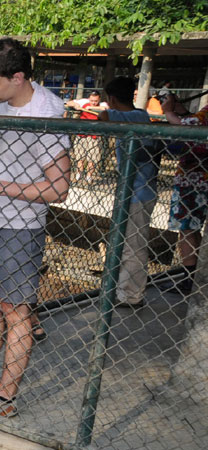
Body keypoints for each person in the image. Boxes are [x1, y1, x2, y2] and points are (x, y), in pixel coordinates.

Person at [0, 38, 71, 418]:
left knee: (15, 309)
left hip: (21, 227)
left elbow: (59, 187)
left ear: (18, 77)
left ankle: (6, 397)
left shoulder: (46, 112)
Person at [97, 77, 164, 307]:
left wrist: (106, 108)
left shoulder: (131, 116)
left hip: (138, 191)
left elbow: (103, 117)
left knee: (133, 244)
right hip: (135, 189)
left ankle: (131, 296)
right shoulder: (140, 115)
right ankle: (122, 290)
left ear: (112, 98)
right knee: (127, 242)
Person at [159, 93, 208, 295]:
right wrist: (182, 111)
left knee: (186, 228)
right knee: (191, 229)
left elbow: (187, 126)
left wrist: (169, 111)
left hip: (194, 179)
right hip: (199, 177)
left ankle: (189, 279)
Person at [65, 91, 108, 182]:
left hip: (94, 136)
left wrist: (91, 107)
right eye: (92, 100)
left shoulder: (102, 104)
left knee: (92, 158)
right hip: (82, 134)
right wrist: (75, 105)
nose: (93, 102)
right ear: (89, 98)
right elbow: (69, 103)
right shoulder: (84, 102)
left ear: (99, 99)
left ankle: (89, 176)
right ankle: (78, 175)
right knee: (80, 156)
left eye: (95, 101)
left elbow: (105, 108)